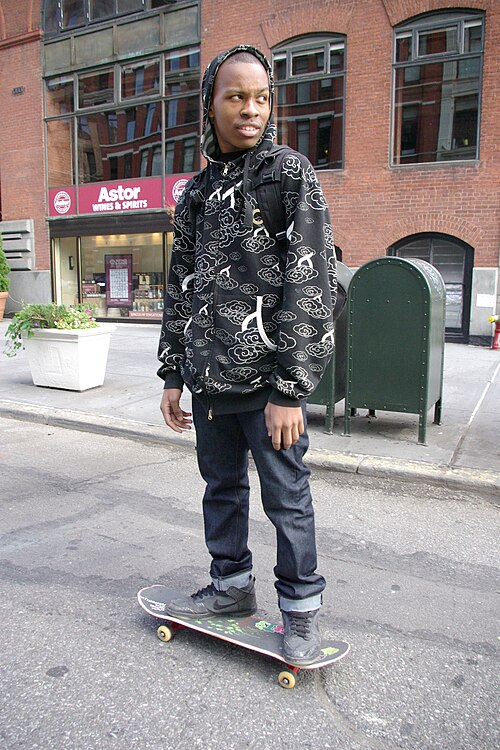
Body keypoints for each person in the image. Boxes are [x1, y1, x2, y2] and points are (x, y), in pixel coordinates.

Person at [157, 45, 337, 665]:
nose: (251, 110)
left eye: (261, 98)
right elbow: (180, 285)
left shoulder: (288, 175)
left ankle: (301, 612)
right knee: (221, 489)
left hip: (268, 386)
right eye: (236, 97)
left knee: (287, 496)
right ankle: (231, 587)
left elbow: (311, 283)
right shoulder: (194, 195)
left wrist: (292, 390)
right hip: (209, 383)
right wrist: (173, 373)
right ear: (210, 105)